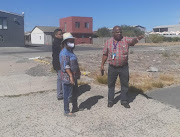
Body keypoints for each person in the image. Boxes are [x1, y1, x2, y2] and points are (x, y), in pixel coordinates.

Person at [100, 25, 144, 108]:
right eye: (117, 32)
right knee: (111, 85)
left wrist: (137, 38)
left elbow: (133, 41)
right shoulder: (108, 42)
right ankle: (110, 100)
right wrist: (102, 65)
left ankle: (124, 100)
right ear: (113, 33)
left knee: (124, 85)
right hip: (112, 67)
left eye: (120, 32)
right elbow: (105, 54)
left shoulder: (125, 40)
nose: (119, 33)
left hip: (123, 67)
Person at [59, 32, 81, 117]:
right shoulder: (64, 53)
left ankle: (75, 107)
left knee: (75, 92)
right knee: (67, 94)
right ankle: (66, 111)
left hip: (74, 76)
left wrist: (78, 72)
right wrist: (71, 76)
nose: (73, 43)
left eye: (73, 41)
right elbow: (66, 66)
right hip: (67, 77)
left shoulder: (70, 51)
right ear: (65, 42)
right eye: (70, 41)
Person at [52, 29, 63, 100]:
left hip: (58, 62)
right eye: (60, 34)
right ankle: (59, 94)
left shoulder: (59, 41)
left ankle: (61, 93)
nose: (61, 35)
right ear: (56, 35)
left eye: (62, 34)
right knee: (60, 78)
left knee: (61, 78)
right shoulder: (56, 42)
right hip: (58, 63)